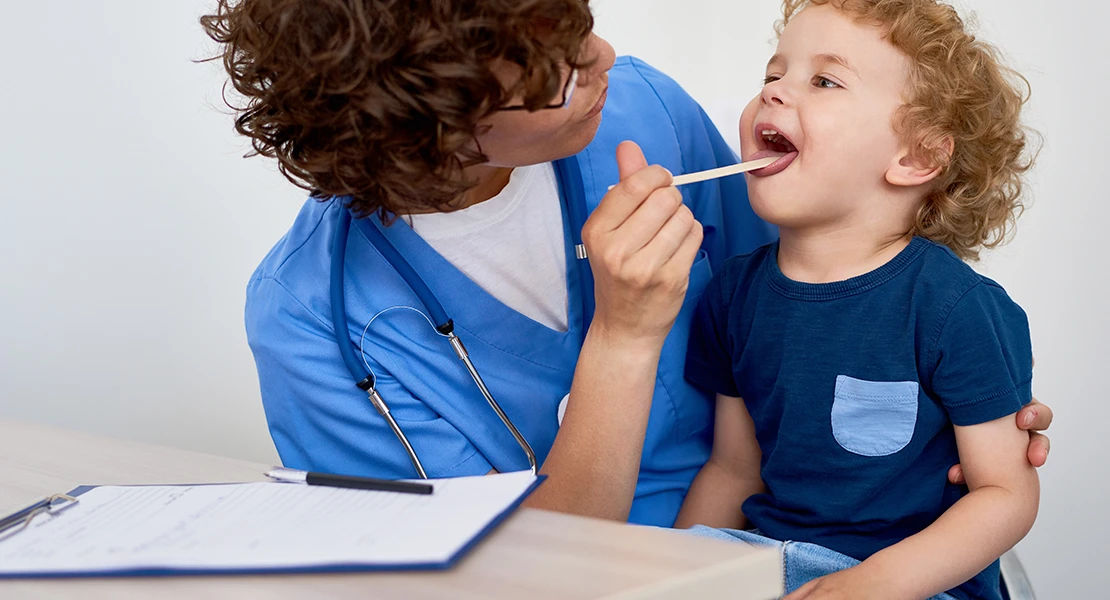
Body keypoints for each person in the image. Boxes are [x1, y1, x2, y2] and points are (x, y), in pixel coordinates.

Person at [199, 0, 1053, 529]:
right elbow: (511, 584)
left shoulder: (639, 109)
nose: (604, 58)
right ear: (445, 132)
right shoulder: (315, 322)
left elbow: (807, 319)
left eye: (577, 20)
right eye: (556, 70)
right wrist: (624, 335)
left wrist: (937, 385)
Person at [675, 1, 1042, 598]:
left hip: (914, 579)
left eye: (824, 80)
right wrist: (668, 572)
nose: (774, 93)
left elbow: (1006, 495)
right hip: (771, 558)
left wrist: (874, 584)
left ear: (917, 157)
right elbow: (733, 470)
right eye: (773, 75)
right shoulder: (733, 296)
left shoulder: (956, 307)